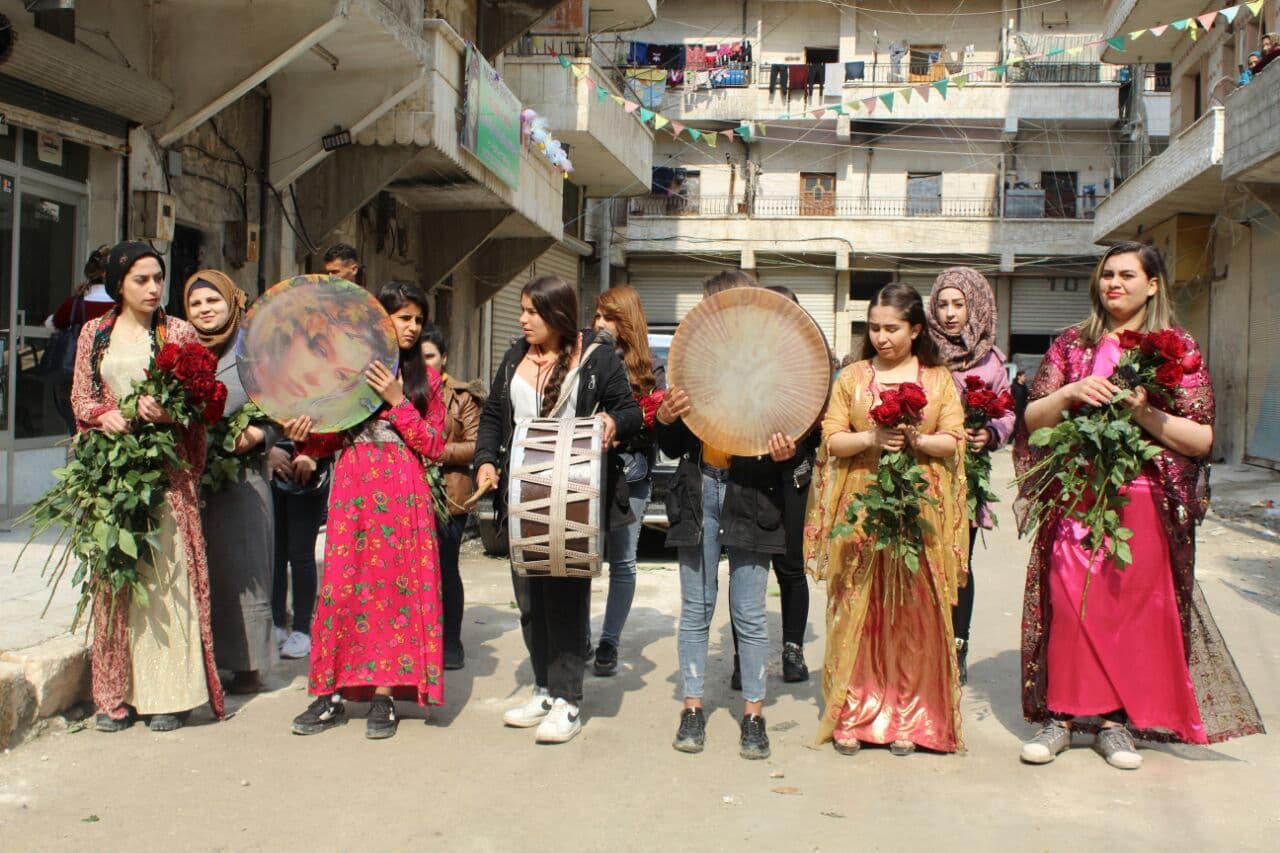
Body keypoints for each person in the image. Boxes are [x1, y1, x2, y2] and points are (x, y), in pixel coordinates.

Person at [1015, 242, 1263, 770]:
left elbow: (1200, 438)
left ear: (1152, 285)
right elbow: (1033, 419)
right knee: (1070, 602)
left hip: (1145, 499)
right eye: (1107, 274)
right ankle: (1061, 717)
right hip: (1078, 493)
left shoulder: (1175, 349)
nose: (1114, 283)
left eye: (1127, 275)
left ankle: (1115, 724)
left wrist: (1144, 412)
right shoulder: (1072, 345)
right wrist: (1070, 393)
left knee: (1126, 610)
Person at [474, 275, 641, 745]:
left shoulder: (596, 358)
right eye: (522, 310)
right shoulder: (515, 357)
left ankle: (568, 700)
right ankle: (544, 689)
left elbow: (631, 412)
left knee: (565, 600)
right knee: (530, 602)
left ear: (557, 315)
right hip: (521, 496)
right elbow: (493, 416)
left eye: (532, 311)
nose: (523, 320)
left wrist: (611, 421)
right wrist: (485, 461)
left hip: (571, 500)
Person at [804, 282, 967, 757]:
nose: (881, 337)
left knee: (913, 612)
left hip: (918, 511)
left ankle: (910, 716)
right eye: (874, 328)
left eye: (892, 328)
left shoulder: (937, 380)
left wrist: (918, 440)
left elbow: (954, 440)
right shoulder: (852, 378)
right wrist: (871, 439)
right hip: (861, 509)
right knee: (856, 605)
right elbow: (831, 438)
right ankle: (854, 712)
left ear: (915, 330)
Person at [70, 241, 224, 733]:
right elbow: (81, 397)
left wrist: (167, 412)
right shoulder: (94, 333)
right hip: (114, 476)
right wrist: (104, 414)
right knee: (117, 580)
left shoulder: (178, 332)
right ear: (119, 284)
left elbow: (198, 403)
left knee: (165, 580)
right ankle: (117, 695)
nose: (154, 287)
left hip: (166, 474)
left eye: (158, 277)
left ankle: (170, 697)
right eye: (142, 279)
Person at [286, 281, 447, 740]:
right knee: (340, 591)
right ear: (379, 318)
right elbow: (326, 441)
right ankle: (329, 695)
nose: (412, 327)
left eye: (418, 319)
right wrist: (302, 437)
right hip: (353, 493)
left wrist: (398, 402)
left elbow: (434, 445)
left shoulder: (426, 380)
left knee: (395, 594)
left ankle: (384, 696)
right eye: (403, 317)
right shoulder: (347, 374)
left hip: (403, 495)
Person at [656, 269, 799, 761]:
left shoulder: (777, 368)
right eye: (707, 307)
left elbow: (800, 439)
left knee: (750, 613)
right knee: (696, 608)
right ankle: (692, 707)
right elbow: (672, 444)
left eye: (719, 306)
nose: (711, 316)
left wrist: (787, 454)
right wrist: (665, 419)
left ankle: (753, 715)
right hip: (700, 493)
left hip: (752, 495)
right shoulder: (692, 366)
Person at [185, 270, 279, 695]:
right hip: (193, 477)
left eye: (213, 301)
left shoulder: (254, 354)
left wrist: (261, 435)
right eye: (195, 304)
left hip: (243, 478)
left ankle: (248, 664)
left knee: (244, 567)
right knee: (202, 569)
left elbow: (286, 406)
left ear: (232, 303)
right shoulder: (182, 351)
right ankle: (204, 661)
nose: (205, 310)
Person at [927, 268, 1015, 686]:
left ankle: (957, 646)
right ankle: (925, 644)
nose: (949, 314)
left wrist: (991, 432)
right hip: (924, 470)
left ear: (975, 306)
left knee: (960, 563)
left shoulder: (991, 360)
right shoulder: (922, 351)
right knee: (922, 561)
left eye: (958, 304)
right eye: (942, 304)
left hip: (966, 475)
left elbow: (1008, 411)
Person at [727, 284, 813, 686]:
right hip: (747, 477)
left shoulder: (811, 369)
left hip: (792, 478)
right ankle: (744, 654)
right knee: (745, 571)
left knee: (791, 567)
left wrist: (794, 455)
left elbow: (820, 432)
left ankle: (792, 648)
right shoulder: (740, 364)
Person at [587, 285, 666, 677]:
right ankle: (579, 638)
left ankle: (609, 642)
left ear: (627, 321)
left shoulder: (651, 370)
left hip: (630, 475)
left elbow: (657, 429)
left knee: (622, 560)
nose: (600, 324)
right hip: (584, 471)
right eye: (598, 316)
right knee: (579, 557)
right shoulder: (584, 357)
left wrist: (625, 430)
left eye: (609, 317)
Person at [420, 324, 483, 671]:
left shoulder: (461, 396)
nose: (424, 364)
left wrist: (438, 451)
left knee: (446, 568)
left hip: (450, 496)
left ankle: (451, 641)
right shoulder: (402, 392)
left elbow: (475, 445)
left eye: (430, 356)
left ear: (443, 358)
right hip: (410, 493)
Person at [270, 437, 328, 661]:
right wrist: (268, 450)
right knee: (275, 552)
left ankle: (302, 630)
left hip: (310, 465)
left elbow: (333, 422)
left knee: (301, 553)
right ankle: (277, 624)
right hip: (272, 463)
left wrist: (313, 452)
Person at [48, 245, 114, 434]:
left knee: (77, 432)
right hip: (111, 381)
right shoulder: (122, 306)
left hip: (75, 379)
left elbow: (53, 323)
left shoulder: (75, 303)